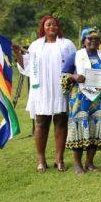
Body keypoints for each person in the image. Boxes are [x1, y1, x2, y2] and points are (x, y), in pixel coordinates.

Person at [13, 15, 77, 172]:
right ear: (43, 27)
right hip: (41, 90)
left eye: (54, 25)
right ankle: (41, 160)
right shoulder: (35, 45)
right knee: (41, 123)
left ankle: (59, 159)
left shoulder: (67, 44)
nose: (52, 27)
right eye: (48, 25)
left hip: (61, 88)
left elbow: (76, 63)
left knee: (61, 122)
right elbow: (26, 68)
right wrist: (17, 54)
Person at [61, 27, 101, 174]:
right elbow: (63, 74)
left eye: (96, 38)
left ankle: (90, 163)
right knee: (80, 127)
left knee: (95, 129)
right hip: (80, 98)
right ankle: (77, 164)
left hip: (100, 99)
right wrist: (74, 77)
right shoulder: (75, 55)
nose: (93, 41)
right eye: (89, 38)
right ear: (83, 40)